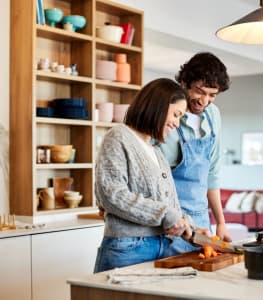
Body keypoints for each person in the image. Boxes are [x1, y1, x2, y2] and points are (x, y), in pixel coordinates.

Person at [94, 78, 203, 273]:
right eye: (176, 115)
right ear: (158, 107)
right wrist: (166, 215)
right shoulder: (118, 136)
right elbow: (112, 195)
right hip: (128, 248)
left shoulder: (157, 153)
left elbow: (171, 204)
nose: (177, 124)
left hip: (163, 246)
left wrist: (191, 227)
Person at [159, 52, 232, 252]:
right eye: (199, 91)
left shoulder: (213, 115)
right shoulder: (167, 114)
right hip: (171, 221)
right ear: (184, 82)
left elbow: (212, 173)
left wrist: (221, 222)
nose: (204, 101)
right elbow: (152, 176)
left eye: (212, 95)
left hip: (201, 220)